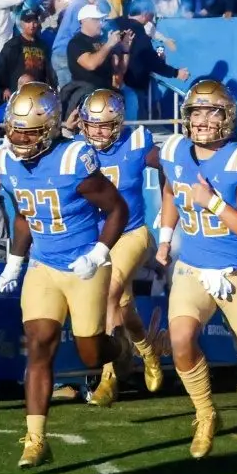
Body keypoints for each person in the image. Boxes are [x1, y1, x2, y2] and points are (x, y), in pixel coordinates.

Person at [0, 82, 132, 469]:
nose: (19, 138)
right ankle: (36, 439)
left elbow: (117, 208)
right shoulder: (6, 160)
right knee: (39, 344)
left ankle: (120, 350)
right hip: (44, 265)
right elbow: (24, 215)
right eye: (15, 129)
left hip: (84, 262)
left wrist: (100, 252)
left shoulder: (73, 158)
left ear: (50, 128)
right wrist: (15, 262)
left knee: (90, 354)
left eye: (29, 131)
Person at [155, 80, 237, 468]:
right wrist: (164, 237)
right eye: (196, 112)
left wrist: (211, 201)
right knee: (180, 341)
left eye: (212, 112)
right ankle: (206, 412)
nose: (203, 120)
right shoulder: (174, 149)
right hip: (192, 268)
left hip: (236, 273)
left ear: (227, 117)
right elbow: (172, 190)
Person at [72, 89, 165, 406]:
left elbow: (166, 165)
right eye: (93, 125)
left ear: (118, 123)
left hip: (132, 232)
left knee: (109, 290)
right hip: (95, 240)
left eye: (105, 125)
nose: (99, 131)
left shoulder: (136, 142)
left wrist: (168, 213)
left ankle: (109, 378)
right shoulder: (75, 150)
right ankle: (148, 350)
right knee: (125, 310)